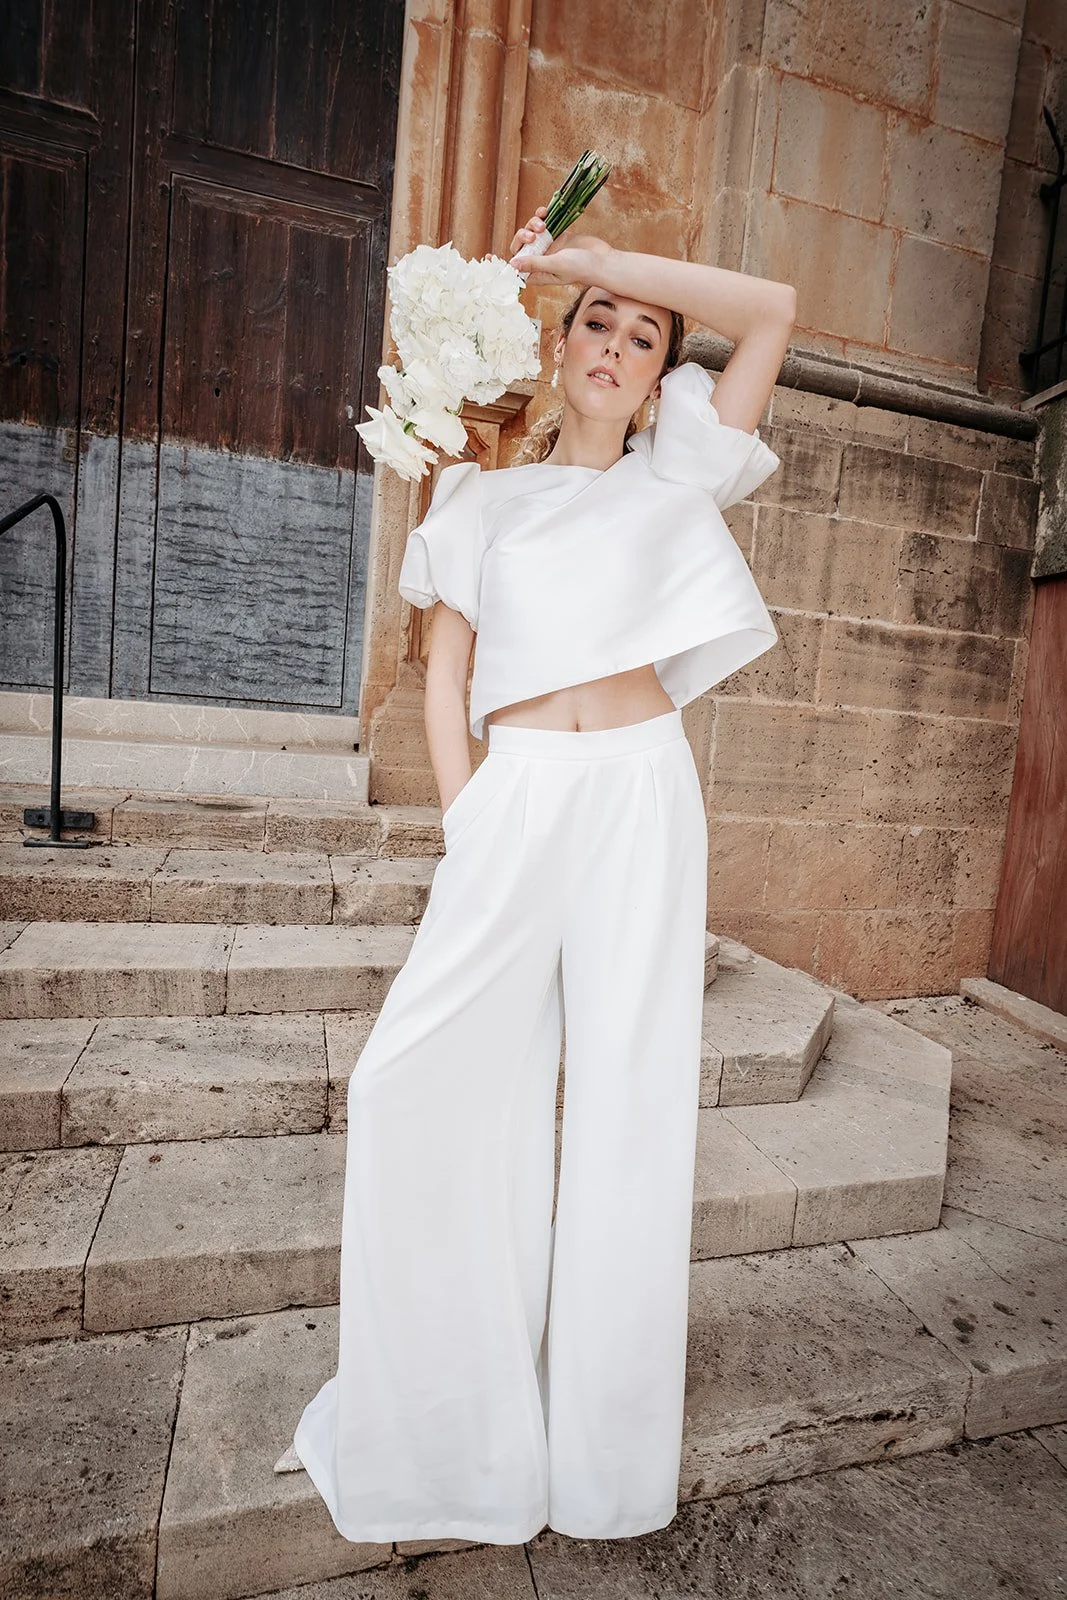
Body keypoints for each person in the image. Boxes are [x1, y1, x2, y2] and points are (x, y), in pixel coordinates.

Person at [276, 207, 797, 1545]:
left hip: (638, 792)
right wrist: (473, 827)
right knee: (414, 1083)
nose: (618, 346)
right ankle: (451, 1431)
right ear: (555, 351)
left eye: (642, 335)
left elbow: (776, 304)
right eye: (596, 327)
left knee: (630, 1107)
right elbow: (445, 679)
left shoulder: (683, 472)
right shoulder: (476, 495)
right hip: (513, 799)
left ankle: (607, 1470)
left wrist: (600, 263)